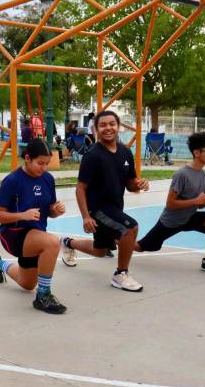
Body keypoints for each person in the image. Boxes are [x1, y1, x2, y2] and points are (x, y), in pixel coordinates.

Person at [60, 111, 149, 291]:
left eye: (112, 124)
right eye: (103, 125)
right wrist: (86, 216)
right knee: (130, 227)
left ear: (118, 126)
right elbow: (80, 188)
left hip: (115, 207)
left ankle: (67, 243)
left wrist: (139, 183)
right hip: (98, 209)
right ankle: (121, 274)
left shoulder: (125, 152)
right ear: (96, 129)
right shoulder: (92, 155)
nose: (108, 128)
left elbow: (130, 184)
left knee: (100, 251)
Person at [0, 139, 68, 314]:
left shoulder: (47, 179)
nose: (44, 168)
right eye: (40, 163)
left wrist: (55, 211)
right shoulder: (12, 181)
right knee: (52, 243)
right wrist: (22, 215)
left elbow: (48, 212)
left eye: (47, 164)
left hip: (36, 235)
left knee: (27, 284)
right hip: (13, 234)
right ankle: (43, 296)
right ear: (28, 158)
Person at [134, 132, 205, 274]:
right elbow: (170, 204)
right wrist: (196, 201)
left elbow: (199, 204)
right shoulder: (182, 174)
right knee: (139, 247)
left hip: (188, 218)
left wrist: (204, 202)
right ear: (196, 153)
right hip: (170, 222)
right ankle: (112, 241)